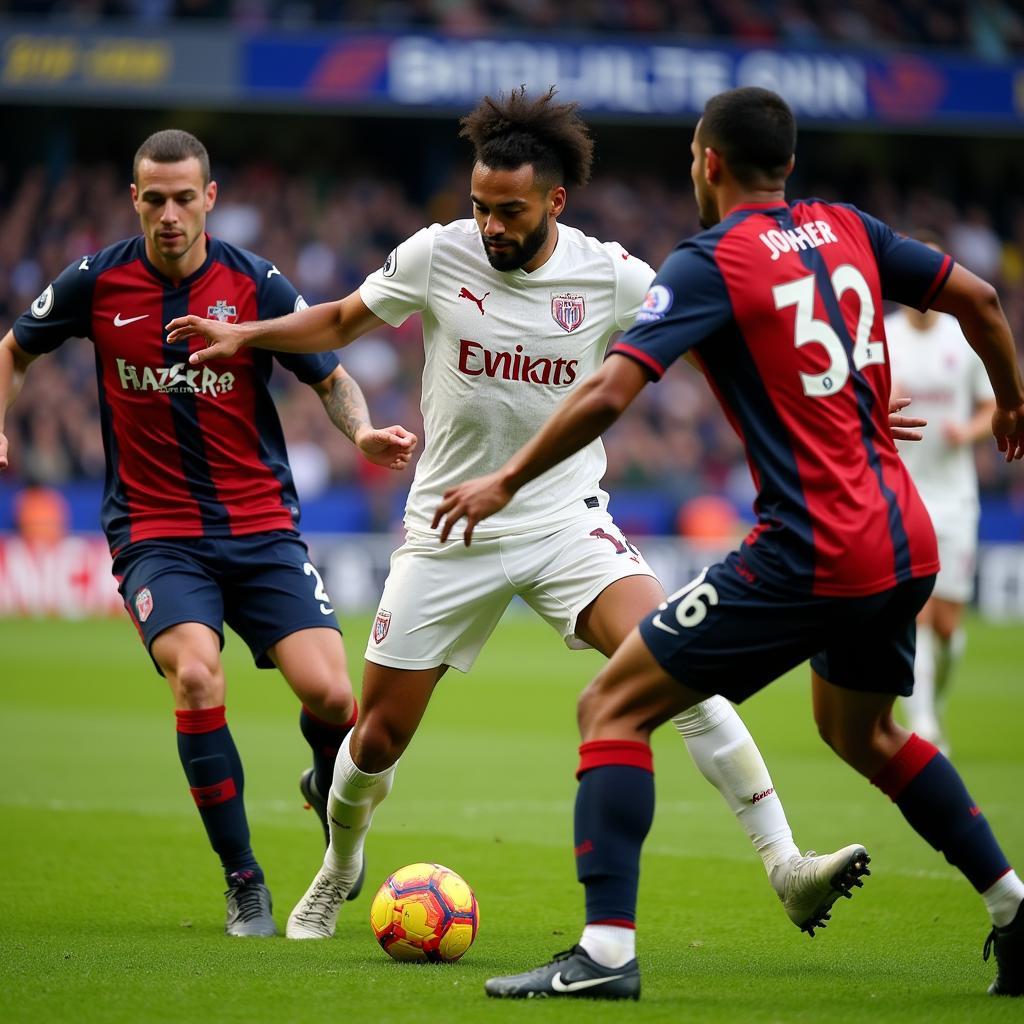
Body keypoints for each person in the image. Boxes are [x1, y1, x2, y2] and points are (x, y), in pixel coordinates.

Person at [166, 88, 932, 946]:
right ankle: (341, 861)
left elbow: (736, 333)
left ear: (555, 202)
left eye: (511, 211)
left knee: (680, 671)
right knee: (375, 736)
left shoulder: (612, 276)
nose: (490, 225)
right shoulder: (435, 254)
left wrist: (844, 400)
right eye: (481, 207)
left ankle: (785, 863)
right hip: (450, 529)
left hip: (567, 520)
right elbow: (343, 319)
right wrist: (251, 337)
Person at [434, 87, 1024, 1000]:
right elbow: (982, 300)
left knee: (612, 705)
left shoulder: (712, 260)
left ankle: (605, 955)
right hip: (904, 537)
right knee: (861, 732)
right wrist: (1013, 402)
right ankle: (1015, 908)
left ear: (707, 161)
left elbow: (607, 394)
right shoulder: (848, 228)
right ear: (785, 164)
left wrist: (506, 478)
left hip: (814, 547)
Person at [0, 129, 417, 938]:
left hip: (261, 527)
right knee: (197, 676)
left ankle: (323, 789)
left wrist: (362, 435)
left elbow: (331, 376)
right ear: (135, 200)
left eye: (183, 197)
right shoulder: (95, 281)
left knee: (335, 696)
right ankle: (245, 882)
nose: (168, 214)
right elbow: (14, 350)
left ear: (210, 198)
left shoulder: (255, 283)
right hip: (157, 532)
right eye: (153, 198)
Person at [886, 237, 997, 754]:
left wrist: (967, 432)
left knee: (949, 625)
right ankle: (925, 725)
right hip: (901, 492)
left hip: (954, 498)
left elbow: (992, 409)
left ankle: (935, 698)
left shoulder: (963, 338)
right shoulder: (882, 336)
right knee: (917, 613)